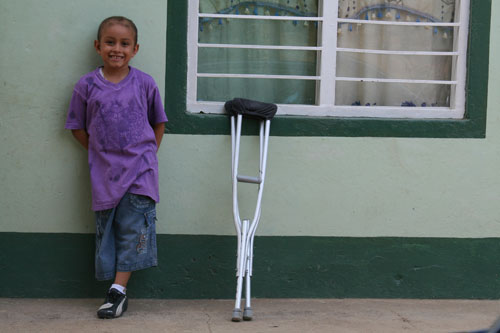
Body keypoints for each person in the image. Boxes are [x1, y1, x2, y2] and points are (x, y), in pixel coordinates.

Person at [65, 16, 167, 319]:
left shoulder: (145, 83)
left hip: (140, 174)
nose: (116, 49)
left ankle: (118, 291)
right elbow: (76, 127)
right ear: (98, 46)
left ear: (135, 49)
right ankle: (114, 286)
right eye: (110, 42)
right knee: (108, 230)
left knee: (134, 230)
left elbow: (158, 123)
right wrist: (101, 154)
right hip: (106, 175)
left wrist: (146, 157)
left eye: (124, 44)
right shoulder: (86, 86)